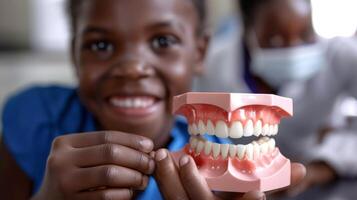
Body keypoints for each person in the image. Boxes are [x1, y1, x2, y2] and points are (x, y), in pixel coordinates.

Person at [0, 0, 305, 199]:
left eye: (163, 41)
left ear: (199, 52)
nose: (132, 68)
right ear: (74, 53)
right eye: (101, 44)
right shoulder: (35, 117)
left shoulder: (225, 169)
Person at [195, 0, 357, 199]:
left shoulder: (338, 55)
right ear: (248, 29)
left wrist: (326, 163)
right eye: (275, 41)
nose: (293, 49)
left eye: (305, 34)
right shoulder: (212, 64)